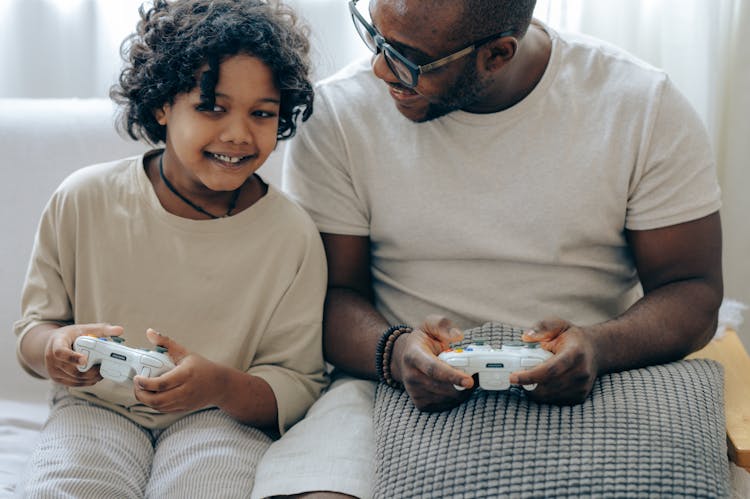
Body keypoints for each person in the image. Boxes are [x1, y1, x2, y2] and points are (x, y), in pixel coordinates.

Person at [250, 0, 723, 497]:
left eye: (408, 59)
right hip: (388, 377)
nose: (379, 68)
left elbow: (692, 292)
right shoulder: (340, 113)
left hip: (598, 377)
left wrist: (600, 347)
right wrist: (394, 352)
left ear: (496, 55)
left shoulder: (640, 104)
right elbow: (330, 295)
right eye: (375, 34)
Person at [13, 0, 328, 496]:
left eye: (262, 113)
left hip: (221, 418)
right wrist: (54, 350)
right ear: (161, 104)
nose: (238, 134)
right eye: (212, 107)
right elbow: (34, 331)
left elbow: (296, 384)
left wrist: (220, 385)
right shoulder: (84, 199)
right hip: (96, 408)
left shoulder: (291, 235)